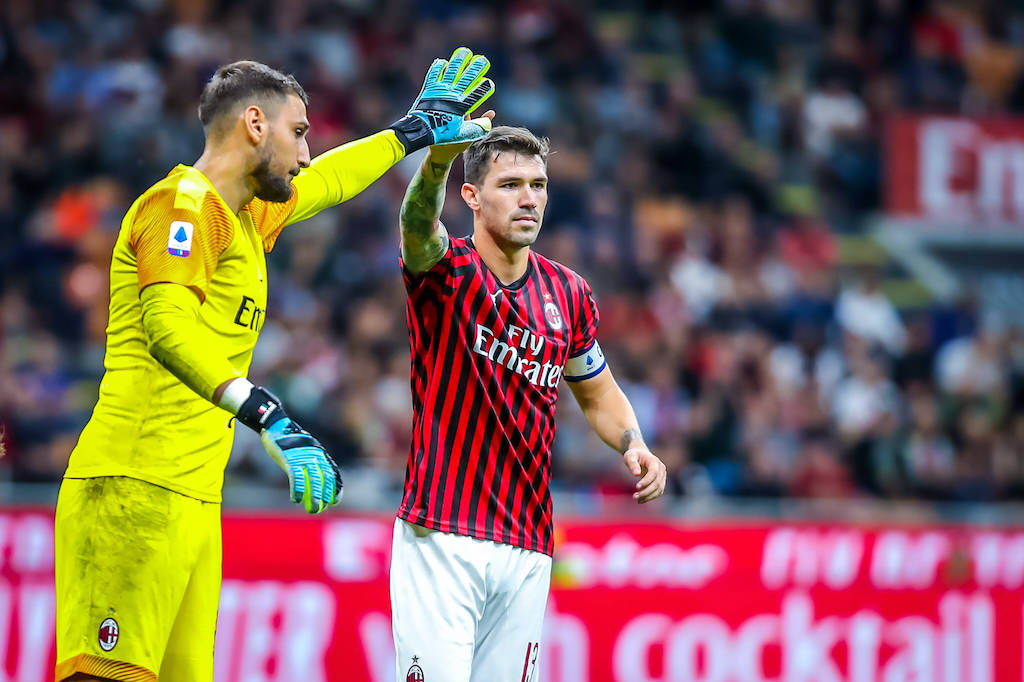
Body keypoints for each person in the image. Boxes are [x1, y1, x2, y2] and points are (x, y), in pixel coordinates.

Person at [55, 52, 494, 682]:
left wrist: (412, 132)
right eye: (300, 132)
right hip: (131, 488)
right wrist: (269, 416)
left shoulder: (247, 216)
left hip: (194, 501)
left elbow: (332, 181)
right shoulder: (183, 206)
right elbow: (167, 326)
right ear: (254, 124)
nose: (308, 152)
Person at [391, 119, 668, 681]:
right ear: (470, 196)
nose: (530, 199)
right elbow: (417, 226)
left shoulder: (568, 292)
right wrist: (438, 160)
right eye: (511, 184)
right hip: (441, 534)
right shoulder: (447, 271)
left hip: (528, 543)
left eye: (539, 185)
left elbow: (596, 391)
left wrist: (633, 442)